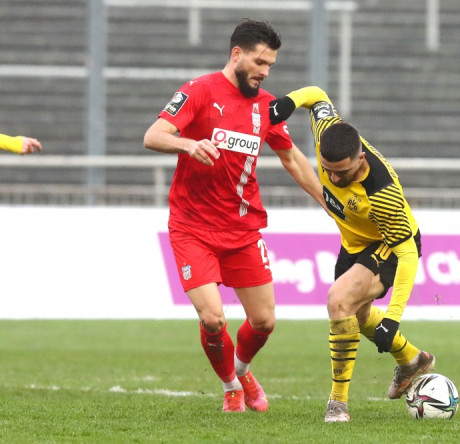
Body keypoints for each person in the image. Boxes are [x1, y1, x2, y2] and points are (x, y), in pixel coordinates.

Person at [143, 19, 324, 413]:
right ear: (237, 54)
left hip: (242, 229)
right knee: (212, 318)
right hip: (192, 228)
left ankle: (241, 371)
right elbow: (153, 135)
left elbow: (292, 158)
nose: (265, 71)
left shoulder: (266, 106)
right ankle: (231, 387)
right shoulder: (199, 91)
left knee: (264, 322)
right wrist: (189, 145)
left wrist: (329, 204)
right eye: (260, 62)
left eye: (270, 65)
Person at [269, 86, 435, 423]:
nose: (332, 178)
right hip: (353, 243)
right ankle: (411, 359)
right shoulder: (328, 131)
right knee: (354, 318)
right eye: (327, 170)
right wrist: (289, 102)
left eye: (341, 173)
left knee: (339, 301)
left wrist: (393, 318)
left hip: (388, 244)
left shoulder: (382, 193)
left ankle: (338, 403)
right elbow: (317, 95)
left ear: (360, 160)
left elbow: (407, 253)